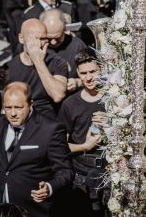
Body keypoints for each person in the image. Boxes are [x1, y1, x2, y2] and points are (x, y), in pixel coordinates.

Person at [0, 82, 72, 217]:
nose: (13, 113)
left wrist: (49, 187)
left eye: (19, 107)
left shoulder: (50, 129)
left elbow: (65, 170)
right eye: (8, 107)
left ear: (31, 104)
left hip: (33, 209)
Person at [58, 49, 107, 215]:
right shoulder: (70, 104)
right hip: (81, 174)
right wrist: (85, 146)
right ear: (77, 73)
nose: (89, 77)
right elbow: (60, 148)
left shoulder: (113, 99)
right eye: (84, 73)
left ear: (101, 69)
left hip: (111, 171)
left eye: (93, 71)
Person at [6, 19, 68, 118]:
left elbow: (58, 95)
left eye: (43, 38)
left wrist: (38, 61)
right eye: (34, 39)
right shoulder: (9, 68)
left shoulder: (57, 62)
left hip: (49, 121)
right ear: (21, 38)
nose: (39, 44)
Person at [42, 9, 85, 92]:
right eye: (49, 38)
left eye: (58, 37)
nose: (53, 42)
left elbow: (93, 74)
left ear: (65, 29)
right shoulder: (36, 45)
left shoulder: (77, 45)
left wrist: (78, 82)